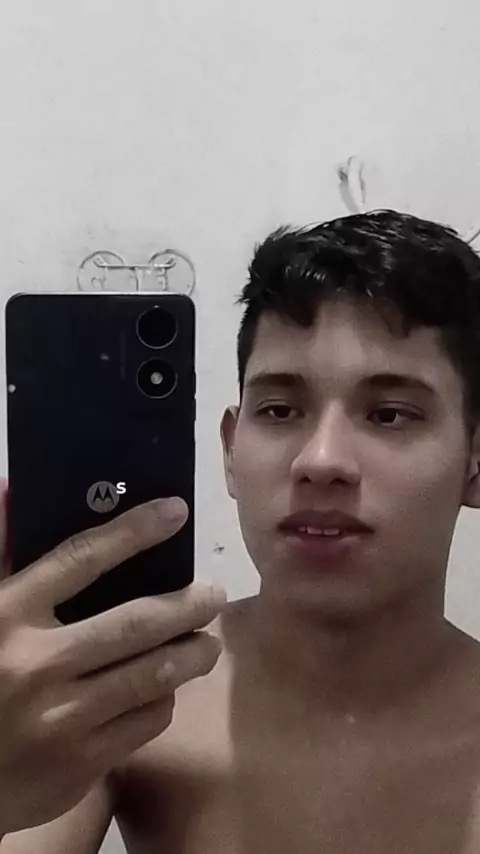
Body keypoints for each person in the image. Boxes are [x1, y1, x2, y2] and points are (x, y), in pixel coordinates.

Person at [2, 208, 480, 854]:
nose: (320, 460)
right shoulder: (130, 694)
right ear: (230, 449)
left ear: (475, 461)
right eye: (279, 410)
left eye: (389, 414)